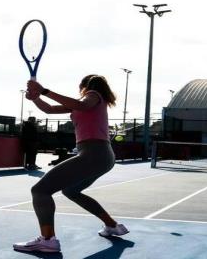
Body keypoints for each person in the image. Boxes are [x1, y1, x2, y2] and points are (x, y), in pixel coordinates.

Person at [13, 74, 129, 253]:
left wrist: (44, 91)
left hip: (93, 154)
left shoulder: (93, 95)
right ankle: (112, 225)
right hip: (102, 157)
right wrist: (36, 97)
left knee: (40, 191)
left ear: (85, 86)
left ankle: (48, 240)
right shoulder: (88, 102)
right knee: (71, 191)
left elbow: (81, 105)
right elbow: (49, 109)